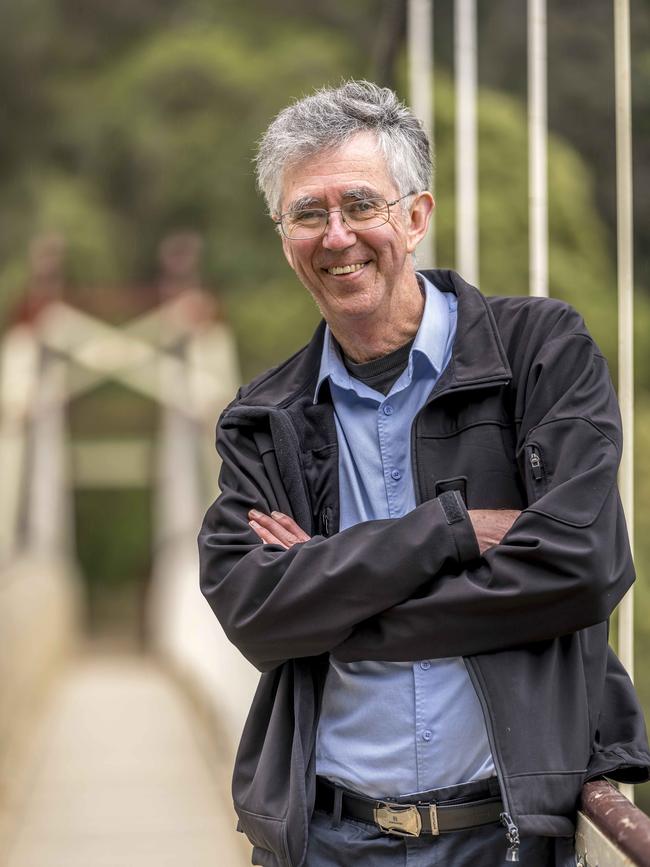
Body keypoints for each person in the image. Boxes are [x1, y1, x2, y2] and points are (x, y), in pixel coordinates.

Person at [198, 81, 649, 867]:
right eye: (308, 213)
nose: (336, 236)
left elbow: (584, 564)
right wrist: (454, 531)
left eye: (360, 205)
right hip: (325, 839)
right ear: (283, 234)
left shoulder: (539, 351)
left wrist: (336, 610)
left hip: (504, 838)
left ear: (416, 215)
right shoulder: (263, 415)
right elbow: (255, 614)